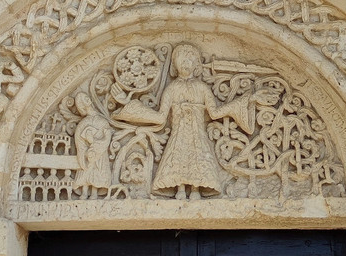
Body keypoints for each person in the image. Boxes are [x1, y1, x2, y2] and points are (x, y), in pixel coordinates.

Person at [115, 43, 275, 199]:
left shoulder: (202, 87)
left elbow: (215, 113)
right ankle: (179, 188)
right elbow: (160, 117)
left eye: (190, 60)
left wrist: (249, 99)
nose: (186, 63)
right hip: (179, 134)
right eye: (181, 59)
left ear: (197, 65)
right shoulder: (172, 88)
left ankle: (196, 189)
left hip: (197, 134)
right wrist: (127, 104)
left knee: (198, 159)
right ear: (174, 64)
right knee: (178, 158)